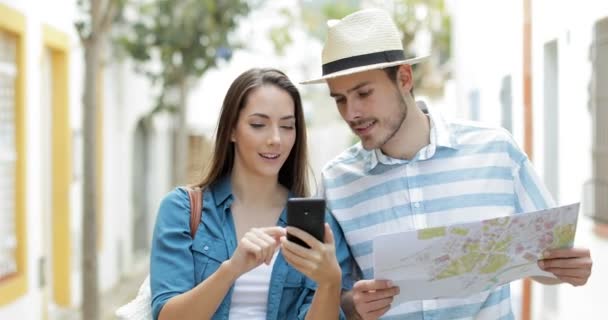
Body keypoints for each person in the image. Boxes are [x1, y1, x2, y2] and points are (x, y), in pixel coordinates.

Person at [302, 8, 593, 320]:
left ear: (404, 78)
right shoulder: (336, 181)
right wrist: (352, 305)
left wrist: (568, 269)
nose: (351, 113)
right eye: (340, 99)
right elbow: (329, 294)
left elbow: (544, 259)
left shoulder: (495, 151)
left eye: (364, 93)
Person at [150, 68, 353, 320]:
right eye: (259, 125)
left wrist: (330, 282)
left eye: (288, 126)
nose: (276, 139)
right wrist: (232, 270)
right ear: (232, 130)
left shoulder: (318, 225)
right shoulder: (183, 209)